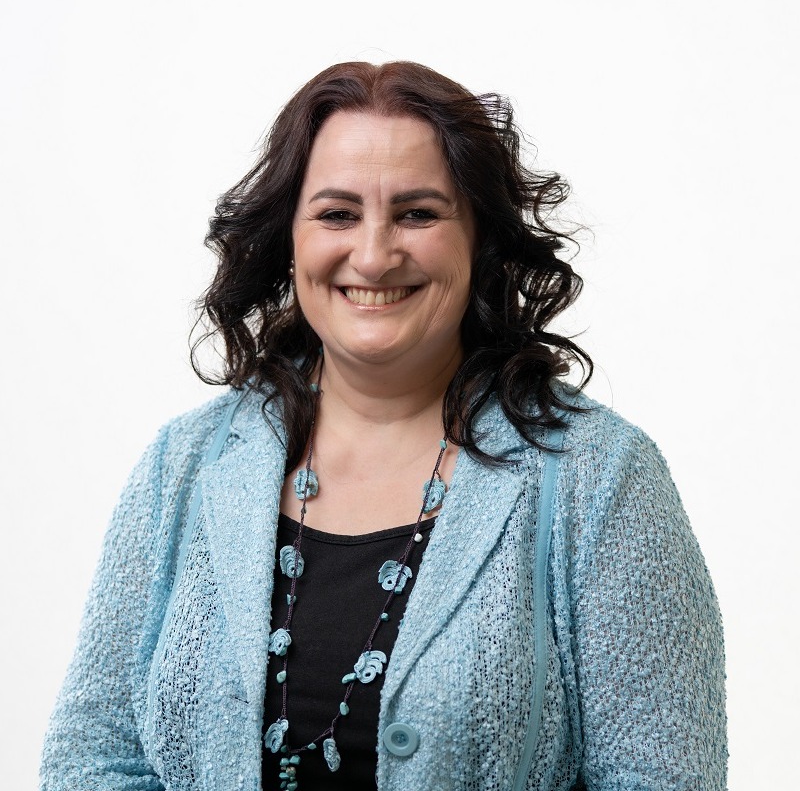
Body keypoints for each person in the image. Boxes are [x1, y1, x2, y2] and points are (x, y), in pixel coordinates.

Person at [40, 61, 726, 790]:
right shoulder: (183, 465)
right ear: (288, 239)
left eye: (417, 214)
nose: (372, 255)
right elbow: (90, 760)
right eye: (337, 214)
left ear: (480, 239)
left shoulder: (602, 476)